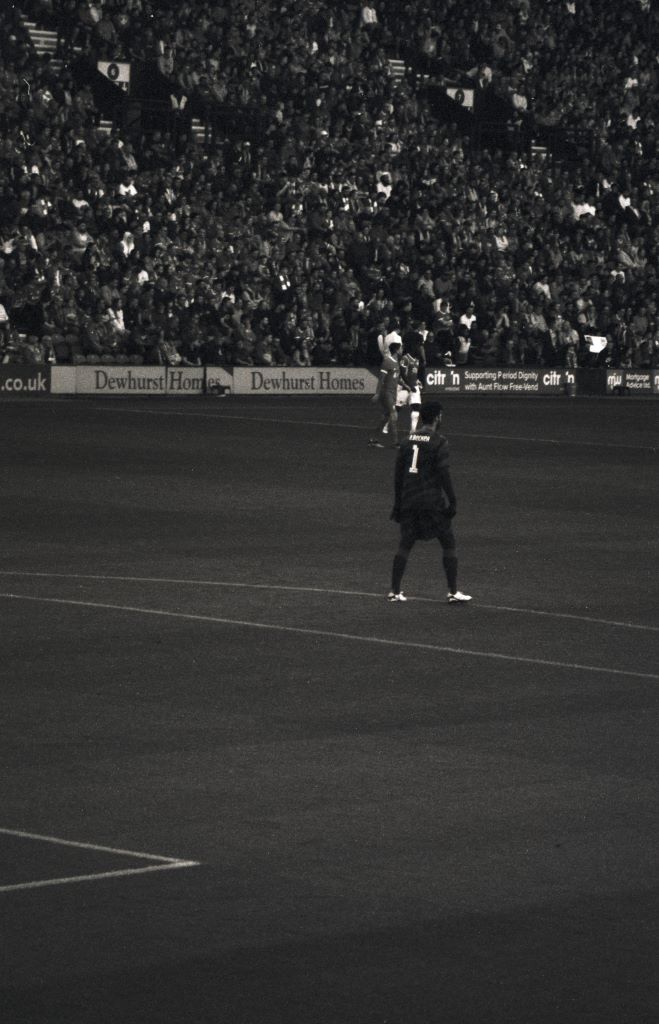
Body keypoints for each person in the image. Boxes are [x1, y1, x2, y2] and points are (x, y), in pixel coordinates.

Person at [388, 401, 471, 604]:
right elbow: (444, 473)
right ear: (436, 417)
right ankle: (452, 592)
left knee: (405, 544)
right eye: (441, 416)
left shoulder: (407, 441)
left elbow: (398, 475)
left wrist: (398, 503)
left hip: (409, 500)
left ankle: (394, 591)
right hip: (431, 501)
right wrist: (452, 500)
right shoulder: (439, 442)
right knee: (448, 542)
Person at [369, 340, 406, 449]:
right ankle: (396, 443)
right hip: (387, 393)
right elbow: (381, 379)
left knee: (385, 417)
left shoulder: (396, 362)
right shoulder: (387, 362)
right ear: (397, 350)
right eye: (401, 348)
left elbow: (396, 378)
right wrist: (377, 393)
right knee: (393, 415)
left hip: (393, 393)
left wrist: (405, 385)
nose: (402, 350)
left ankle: (373, 440)